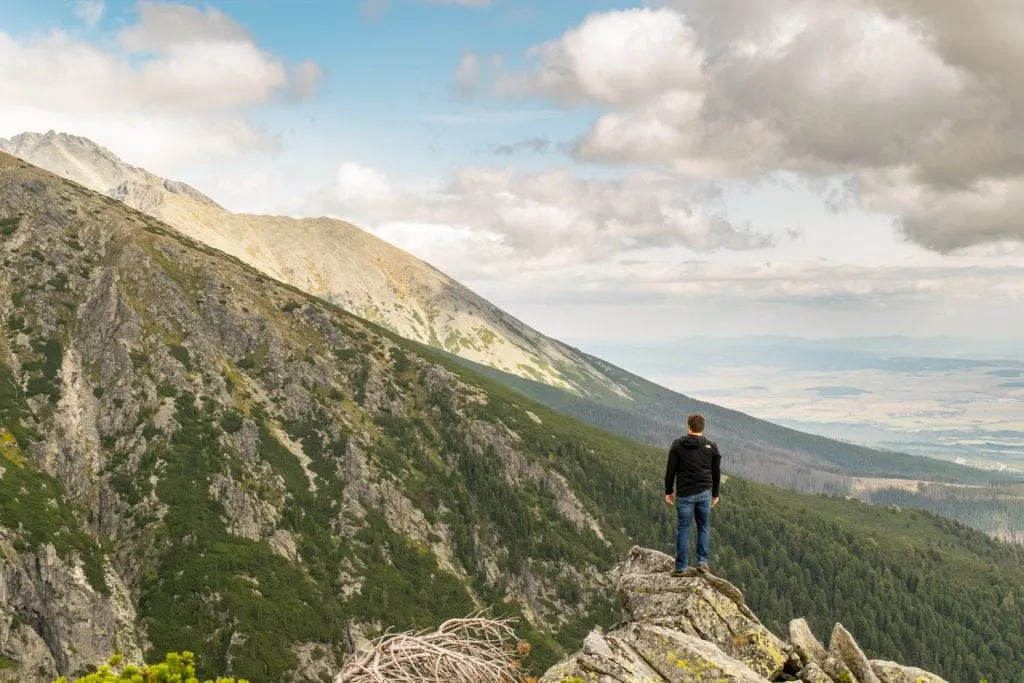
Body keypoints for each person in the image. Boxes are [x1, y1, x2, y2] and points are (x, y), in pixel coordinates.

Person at [664, 413, 721, 575]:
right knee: (703, 526)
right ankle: (702, 563)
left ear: (688, 426)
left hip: (685, 494)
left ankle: (681, 567)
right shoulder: (712, 447)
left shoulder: (677, 445)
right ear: (702, 427)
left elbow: (670, 471)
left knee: (684, 528)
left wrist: (669, 491)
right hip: (705, 493)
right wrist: (715, 494)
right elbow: (716, 473)